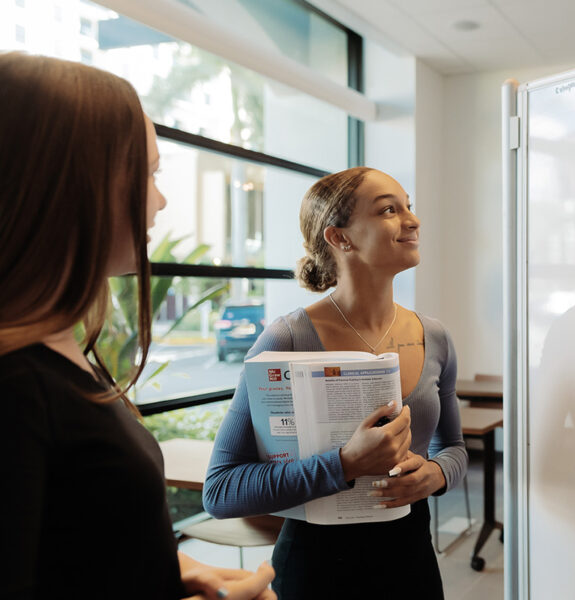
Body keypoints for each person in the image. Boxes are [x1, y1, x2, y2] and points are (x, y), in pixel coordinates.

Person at [0, 53, 276, 600]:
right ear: (74, 183)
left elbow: (70, 547)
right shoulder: (16, 389)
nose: (160, 200)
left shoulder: (57, 357)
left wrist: (172, 571)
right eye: (148, 174)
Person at [203, 167, 468, 599]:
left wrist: (435, 475)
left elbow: (453, 448)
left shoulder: (434, 336)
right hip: (316, 567)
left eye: (408, 207)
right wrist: (344, 464)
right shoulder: (286, 340)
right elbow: (222, 489)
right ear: (340, 238)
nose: (412, 220)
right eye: (388, 209)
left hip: (411, 559)